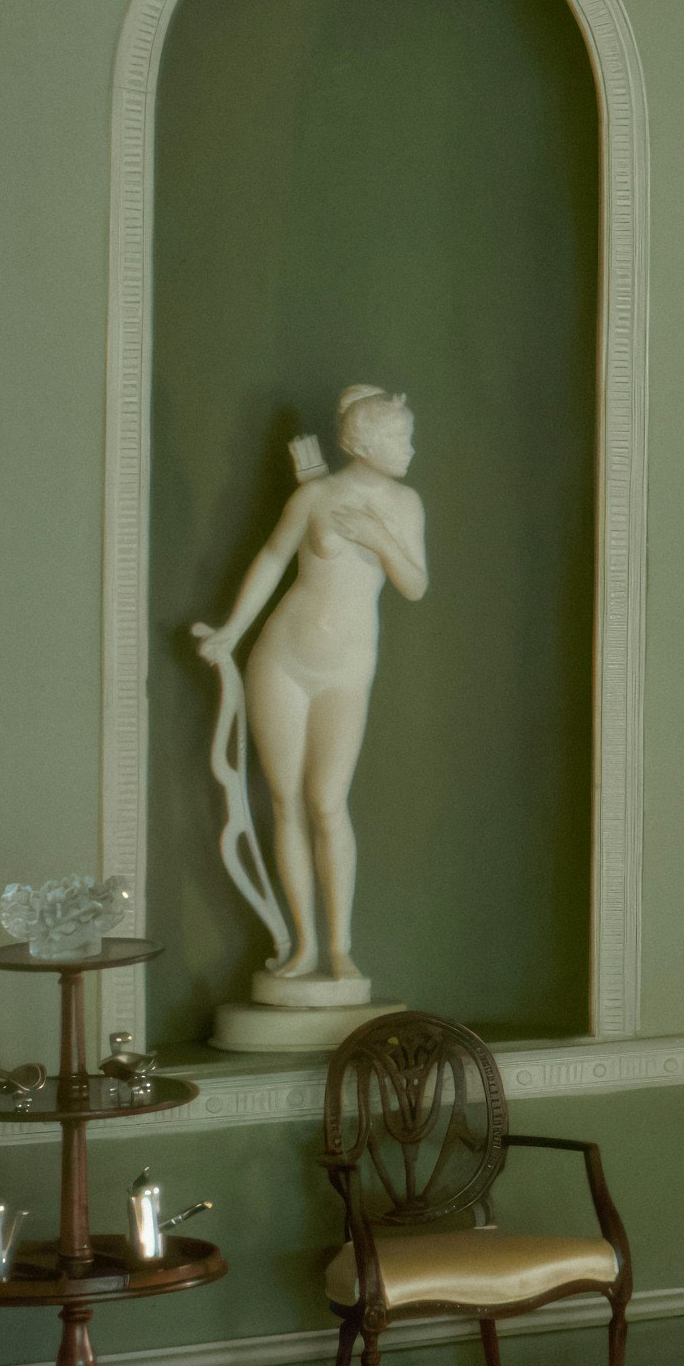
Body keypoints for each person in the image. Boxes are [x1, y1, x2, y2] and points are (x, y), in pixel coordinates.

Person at [194, 386, 427, 1005]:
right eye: (401, 438)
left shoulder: (403, 505)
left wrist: (377, 534)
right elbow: (272, 561)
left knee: (328, 802)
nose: (410, 449)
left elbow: (414, 584)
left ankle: (340, 948)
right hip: (283, 660)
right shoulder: (315, 496)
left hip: (347, 671)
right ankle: (303, 945)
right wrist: (230, 633)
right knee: (287, 801)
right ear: (364, 444)